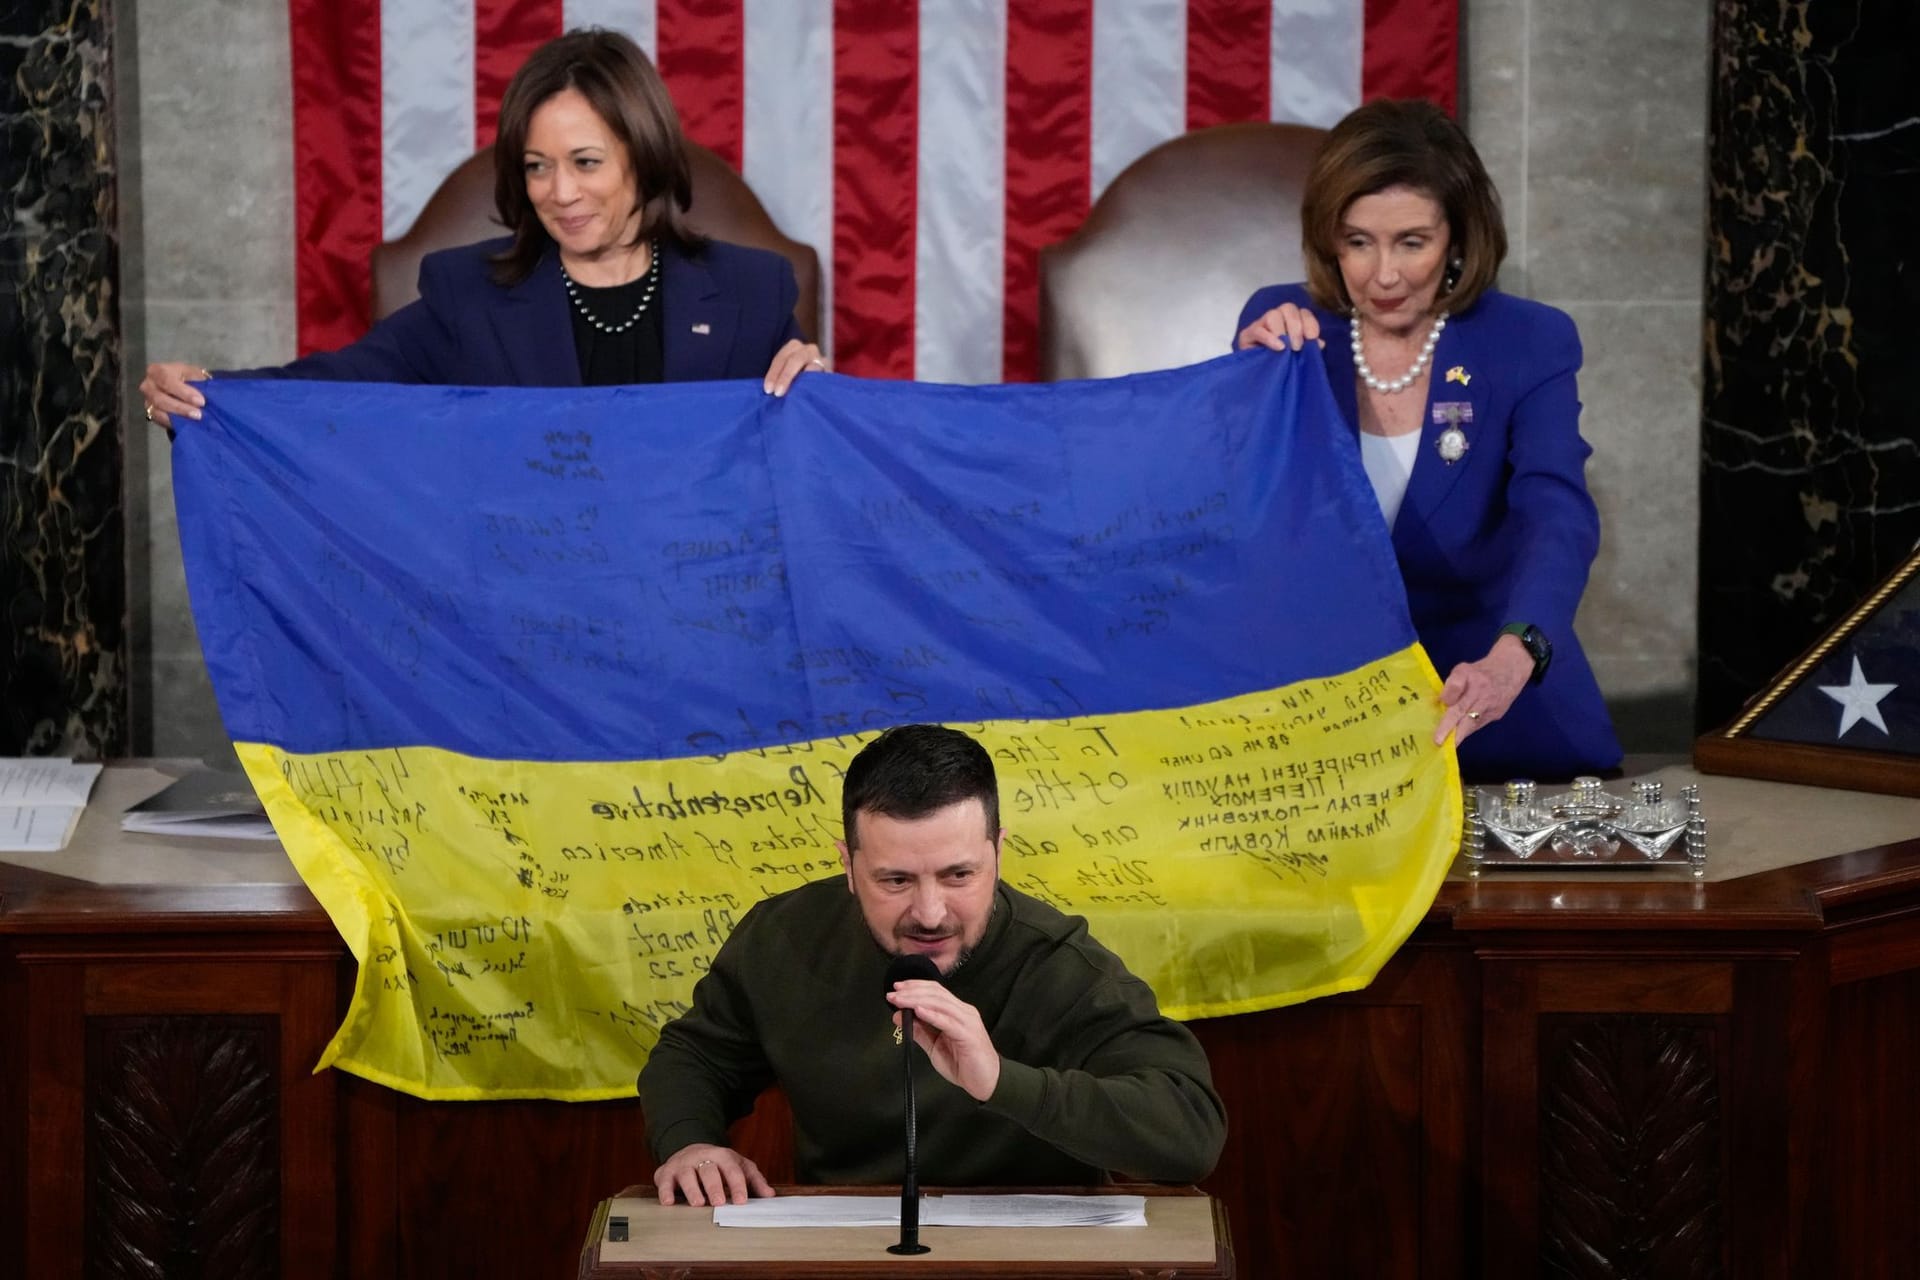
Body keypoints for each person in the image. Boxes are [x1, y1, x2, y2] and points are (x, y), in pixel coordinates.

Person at [638, 723, 1227, 1206]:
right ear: (848, 864)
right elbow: (693, 1056)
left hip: (1033, 1254)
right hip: (839, 1250)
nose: (930, 912)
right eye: (894, 879)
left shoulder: (1059, 965)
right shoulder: (783, 937)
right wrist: (688, 1144)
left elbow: (1191, 1132)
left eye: (959, 875)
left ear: (998, 854)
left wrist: (999, 1080)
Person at [138, 28, 822, 427]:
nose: (560, 193)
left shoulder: (750, 291)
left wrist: (816, 392)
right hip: (524, 619)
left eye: (585, 162)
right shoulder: (466, 294)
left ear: (643, 159)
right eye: (536, 167)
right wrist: (209, 394)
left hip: (702, 616)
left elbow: (812, 449)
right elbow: (335, 387)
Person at [1234, 99, 1621, 780]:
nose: (1383, 275)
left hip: (1490, 708)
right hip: (1320, 721)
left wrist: (1518, 650)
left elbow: (1555, 512)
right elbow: (1237, 512)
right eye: (1358, 241)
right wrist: (1245, 389)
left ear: (1460, 238)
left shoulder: (1529, 341)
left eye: (1412, 241)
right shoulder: (1280, 328)